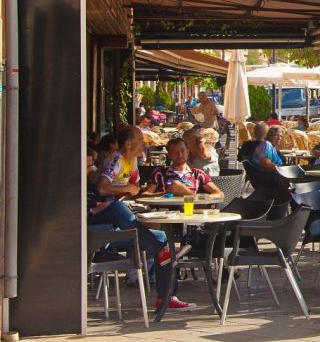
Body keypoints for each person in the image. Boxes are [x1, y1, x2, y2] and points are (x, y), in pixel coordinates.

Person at [91, 131, 194, 311]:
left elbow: (134, 190)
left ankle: (167, 297)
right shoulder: (116, 160)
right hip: (99, 223)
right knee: (118, 210)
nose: (145, 143)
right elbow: (102, 187)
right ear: (129, 144)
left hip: (119, 223)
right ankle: (157, 248)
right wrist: (127, 187)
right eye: (140, 140)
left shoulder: (132, 162)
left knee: (164, 240)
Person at [148, 137, 224, 198]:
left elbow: (219, 194)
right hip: (167, 211)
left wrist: (203, 199)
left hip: (191, 209)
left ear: (188, 152)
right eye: (175, 152)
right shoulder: (160, 173)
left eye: (183, 151)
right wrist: (165, 194)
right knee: (176, 184)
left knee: (177, 185)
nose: (180, 155)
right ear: (169, 155)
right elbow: (146, 194)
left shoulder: (197, 174)